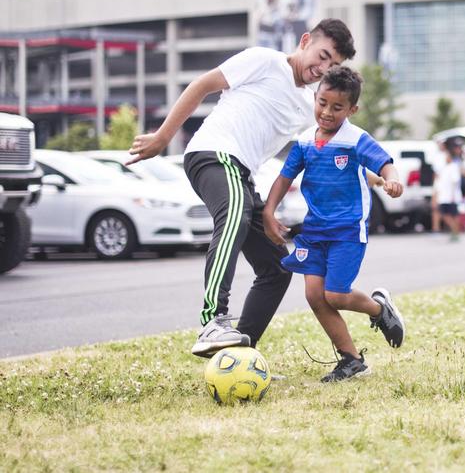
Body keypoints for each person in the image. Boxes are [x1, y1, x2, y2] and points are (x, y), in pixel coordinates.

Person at [128, 19, 355, 358]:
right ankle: (212, 321)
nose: (321, 68)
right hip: (212, 153)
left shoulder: (311, 103)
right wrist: (163, 137)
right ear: (305, 41)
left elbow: (347, 140)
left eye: (332, 65)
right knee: (234, 213)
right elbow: (202, 85)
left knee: (278, 266)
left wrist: (380, 172)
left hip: (241, 173)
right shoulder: (265, 60)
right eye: (321, 56)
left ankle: (236, 355)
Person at [262, 66, 406, 381]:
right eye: (322, 103)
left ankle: (379, 309)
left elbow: (384, 163)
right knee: (315, 296)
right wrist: (268, 211)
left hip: (347, 230)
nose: (327, 112)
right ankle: (351, 360)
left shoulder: (355, 139)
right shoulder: (303, 142)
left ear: (352, 109)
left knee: (337, 295)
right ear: (315, 97)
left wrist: (392, 181)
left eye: (337, 107)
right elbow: (284, 178)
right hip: (314, 231)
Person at [435, 142, 464, 242]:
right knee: (446, 214)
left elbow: (455, 181)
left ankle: (455, 231)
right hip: (444, 196)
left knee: (452, 214)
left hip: (451, 196)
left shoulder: (453, 167)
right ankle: (454, 231)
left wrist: (452, 195)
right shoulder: (445, 168)